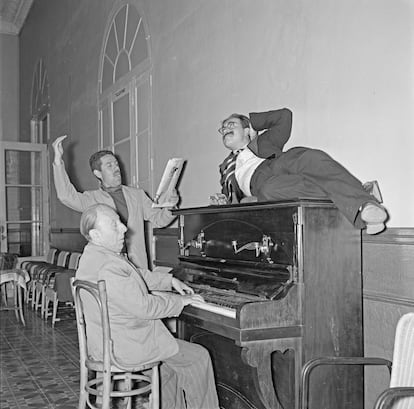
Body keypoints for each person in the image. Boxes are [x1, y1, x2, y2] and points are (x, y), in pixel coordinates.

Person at [76, 203, 220, 409]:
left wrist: (168, 281)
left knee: (168, 371)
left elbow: (135, 275)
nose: (124, 228)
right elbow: (145, 307)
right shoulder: (110, 266)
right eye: (114, 225)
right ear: (96, 234)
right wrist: (181, 301)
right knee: (198, 358)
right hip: (128, 346)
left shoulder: (92, 257)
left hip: (105, 344)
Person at [218, 108, 388, 234]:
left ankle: (363, 203)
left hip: (276, 164)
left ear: (247, 131)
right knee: (270, 192)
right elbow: (232, 200)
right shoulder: (225, 167)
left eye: (231, 125)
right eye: (223, 129)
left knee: (310, 158)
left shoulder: (263, 142)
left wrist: (254, 123)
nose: (225, 129)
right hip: (262, 187)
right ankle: (363, 198)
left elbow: (284, 116)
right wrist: (223, 201)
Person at [53, 135, 178, 268]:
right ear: (98, 173)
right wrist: (58, 161)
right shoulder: (92, 200)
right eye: (109, 165)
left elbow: (159, 220)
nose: (116, 168)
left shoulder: (137, 195)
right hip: (109, 268)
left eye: (116, 164)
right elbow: (66, 196)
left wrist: (170, 206)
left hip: (138, 267)